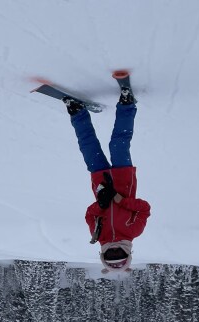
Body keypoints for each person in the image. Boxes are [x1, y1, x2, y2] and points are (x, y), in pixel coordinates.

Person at [64, 81, 151, 272]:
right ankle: (127, 104)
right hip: (123, 178)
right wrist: (120, 199)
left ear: (103, 256)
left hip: (100, 183)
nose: (114, 252)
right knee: (118, 143)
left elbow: (90, 214)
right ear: (128, 254)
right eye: (119, 255)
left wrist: (101, 203)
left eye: (110, 256)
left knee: (88, 147)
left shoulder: (97, 235)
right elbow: (144, 209)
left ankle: (77, 112)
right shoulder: (133, 231)